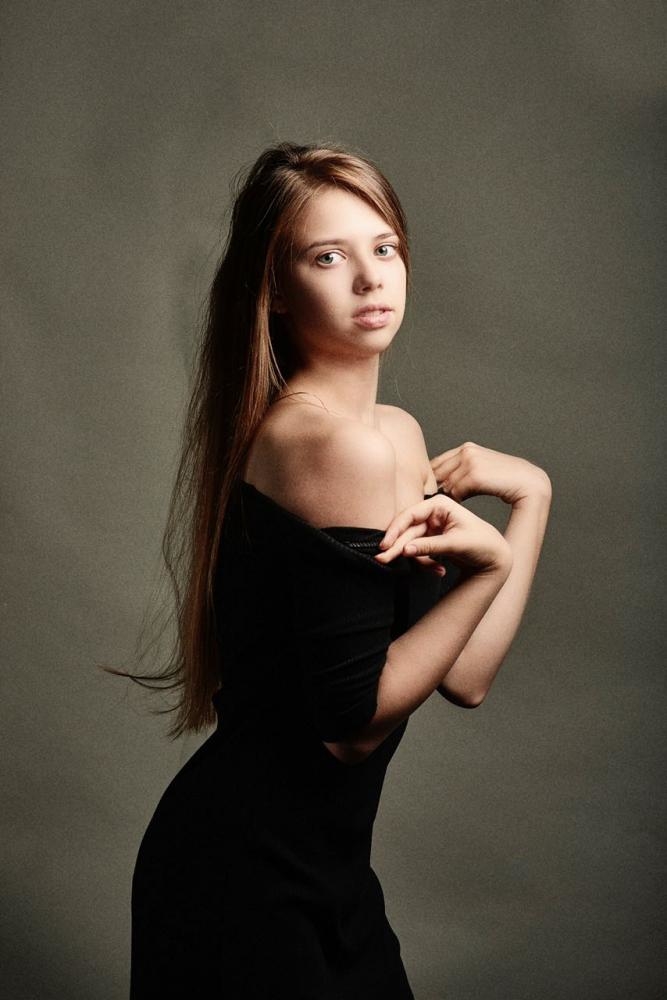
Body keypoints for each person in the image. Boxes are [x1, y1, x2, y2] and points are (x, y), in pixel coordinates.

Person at [121, 141, 552, 998]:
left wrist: (532, 498)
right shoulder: (325, 443)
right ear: (275, 291)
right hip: (246, 878)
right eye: (328, 257)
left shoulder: (392, 432)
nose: (369, 278)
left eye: (383, 247)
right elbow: (350, 727)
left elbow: (462, 675)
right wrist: (488, 567)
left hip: (330, 872)